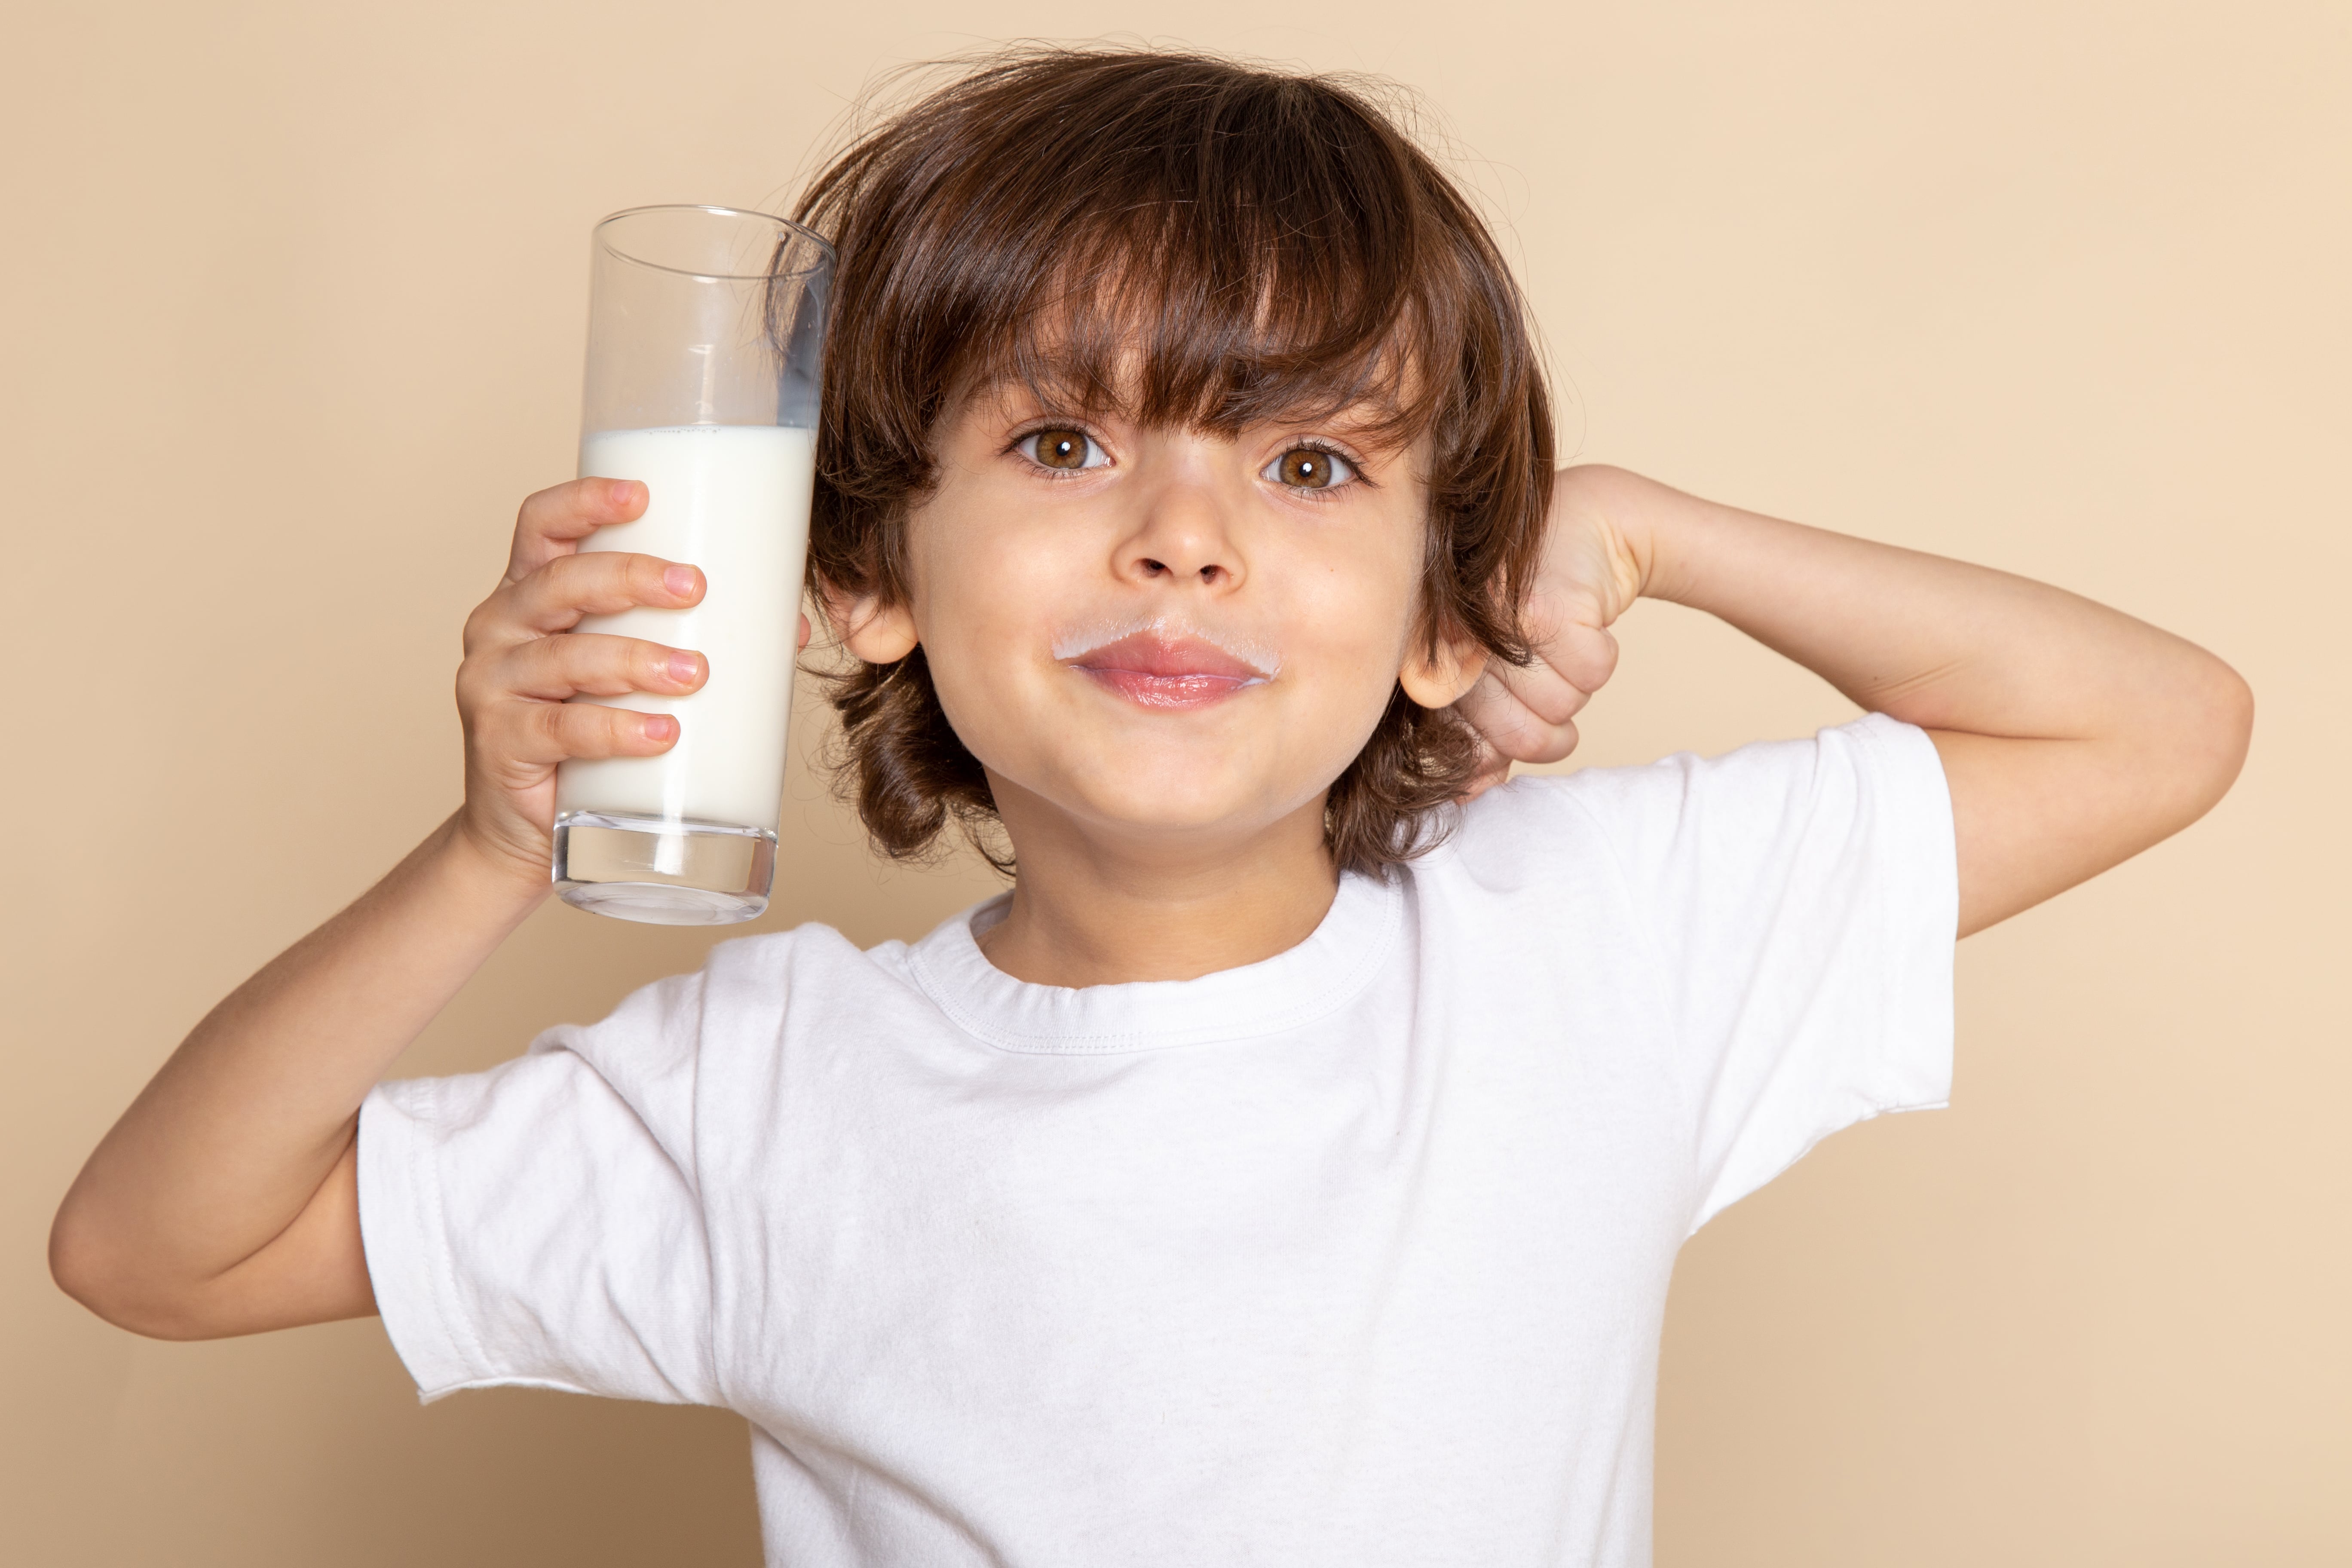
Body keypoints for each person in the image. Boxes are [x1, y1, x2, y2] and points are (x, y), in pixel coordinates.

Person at [49, 46, 2251, 1568]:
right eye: (1064, 445)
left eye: (1308, 466)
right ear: (858, 577)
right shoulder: (767, 1090)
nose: (1184, 537)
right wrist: (482, 851)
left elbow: (2151, 727)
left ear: (1441, 608)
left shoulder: (1593, 943)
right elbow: (152, 1247)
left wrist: (1644, 521)